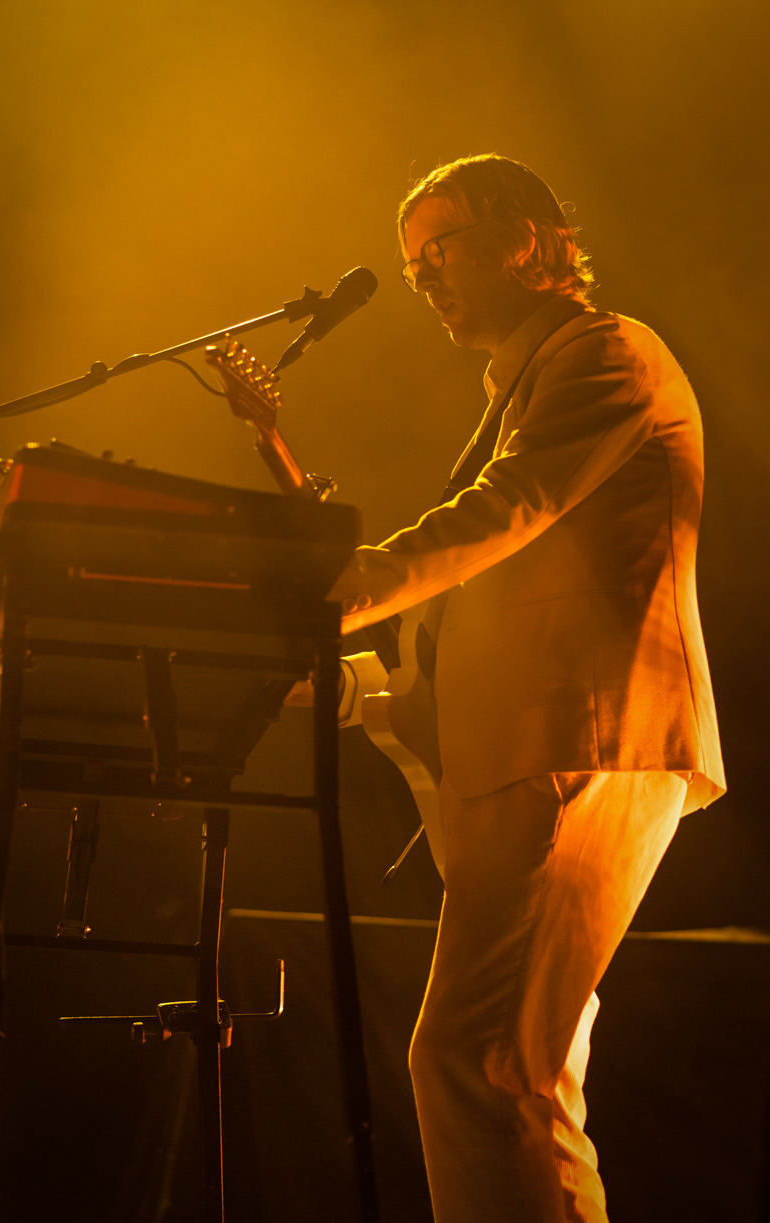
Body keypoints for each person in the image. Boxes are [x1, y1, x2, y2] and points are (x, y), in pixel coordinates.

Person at [293, 154, 726, 1222]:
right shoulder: (522, 389)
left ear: (525, 238)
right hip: (544, 740)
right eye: (411, 266)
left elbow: (512, 504)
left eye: (438, 249)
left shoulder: (607, 353)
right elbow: (478, 616)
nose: (423, 279)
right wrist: (351, 686)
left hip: (584, 736)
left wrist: (343, 589)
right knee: (526, 1069)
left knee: (476, 1059)